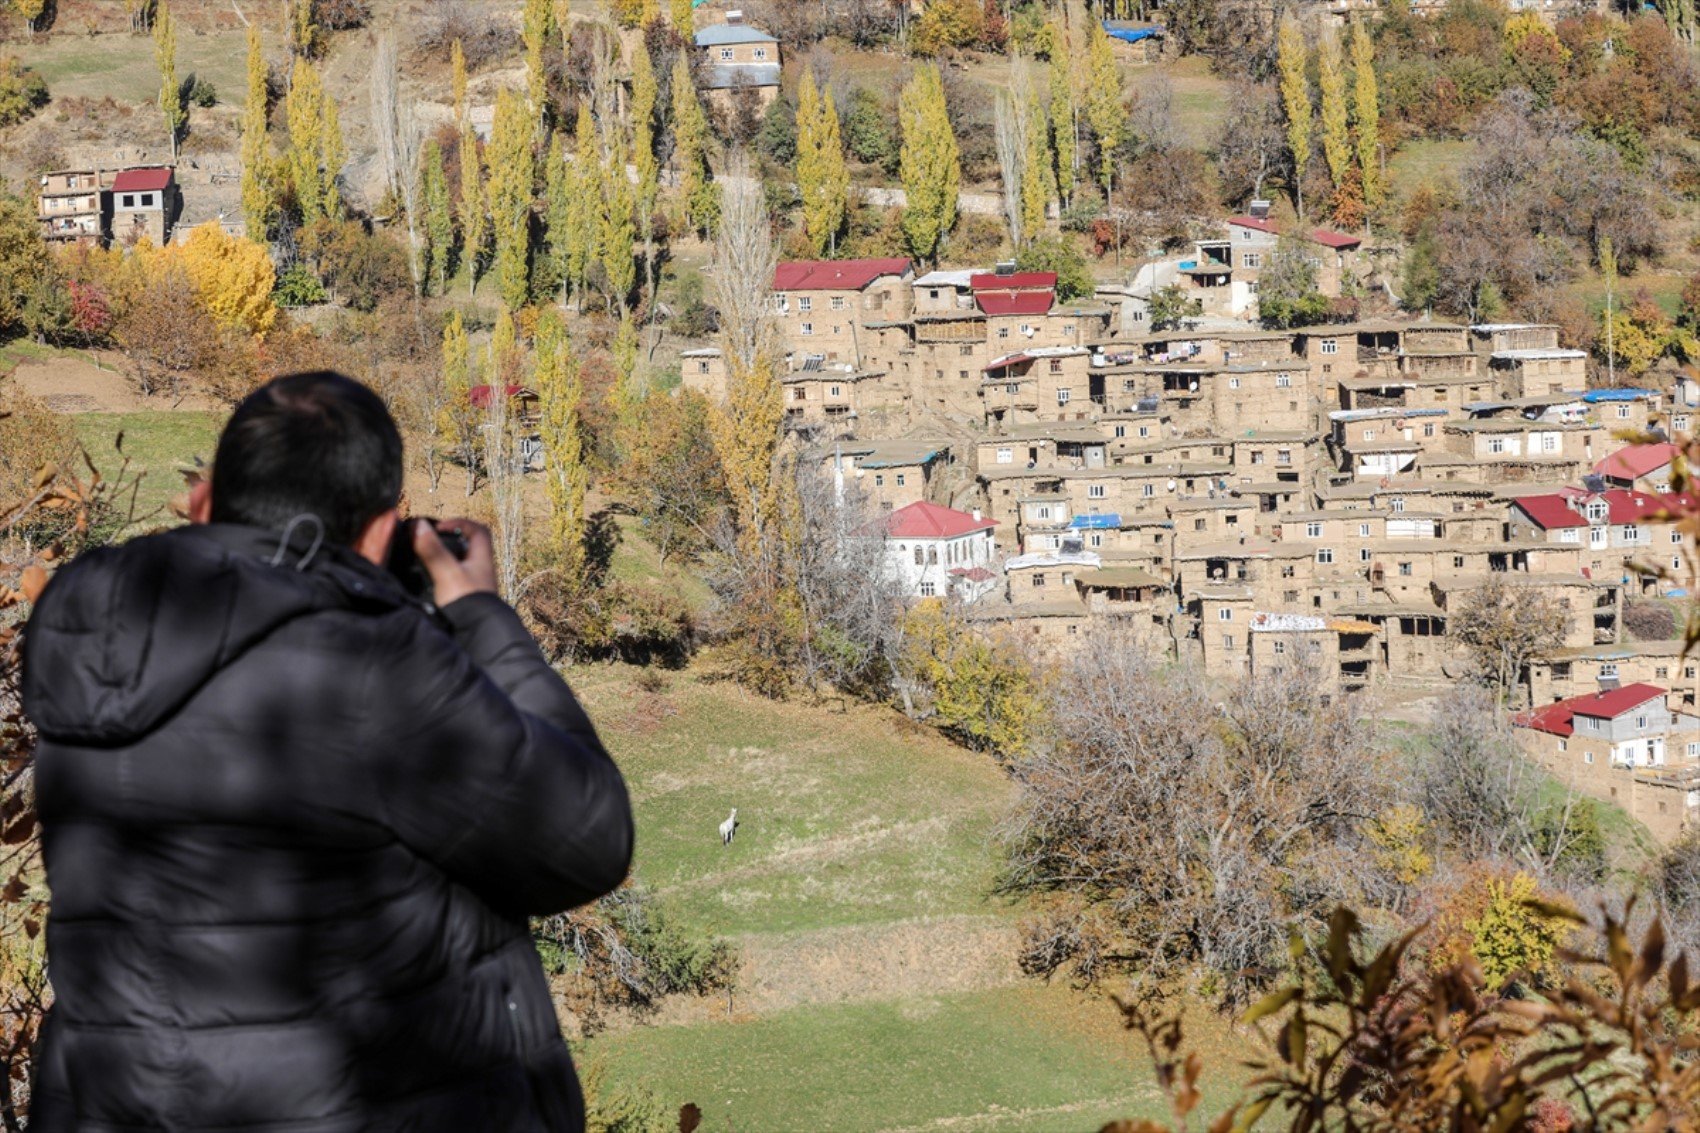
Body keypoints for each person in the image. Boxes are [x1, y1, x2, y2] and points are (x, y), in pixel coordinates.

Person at [20, 371, 633, 1132]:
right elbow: (591, 838)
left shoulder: (88, 647)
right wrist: (481, 615)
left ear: (207, 503)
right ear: (382, 532)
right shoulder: (377, 670)